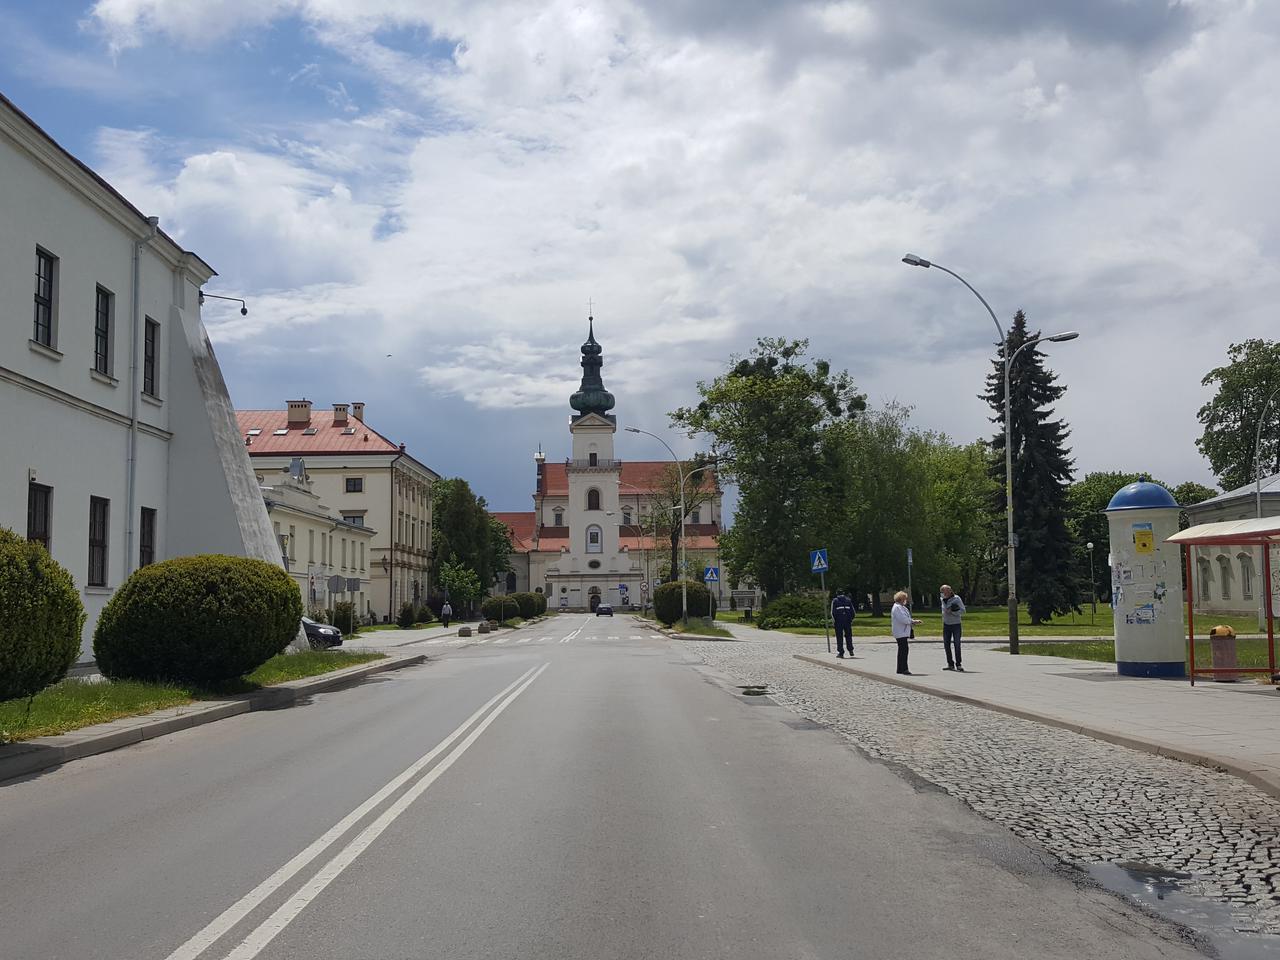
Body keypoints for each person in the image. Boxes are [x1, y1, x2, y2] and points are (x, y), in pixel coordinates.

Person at [891, 590, 921, 675]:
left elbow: (906, 617)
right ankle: (904, 668)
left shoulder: (902, 607)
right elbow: (902, 619)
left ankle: (900, 668)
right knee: (904, 650)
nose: (906, 600)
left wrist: (913, 621)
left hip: (903, 631)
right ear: (901, 599)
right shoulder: (897, 607)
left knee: (903, 650)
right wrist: (911, 622)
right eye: (905, 599)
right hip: (900, 632)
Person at [940, 584, 967, 672]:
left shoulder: (956, 598)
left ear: (950, 591)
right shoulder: (942, 599)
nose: (945, 594)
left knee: (957, 644)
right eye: (943, 592)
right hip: (946, 624)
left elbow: (963, 610)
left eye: (947, 591)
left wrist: (952, 611)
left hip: (956, 624)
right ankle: (950, 664)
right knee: (946, 644)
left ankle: (958, 664)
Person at [830, 589, 855, 658]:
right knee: (849, 636)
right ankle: (851, 650)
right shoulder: (848, 600)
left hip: (838, 621)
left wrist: (834, 621)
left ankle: (841, 652)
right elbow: (853, 612)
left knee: (839, 637)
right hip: (847, 621)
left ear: (837, 594)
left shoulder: (835, 601)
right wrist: (851, 620)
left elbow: (832, 612)